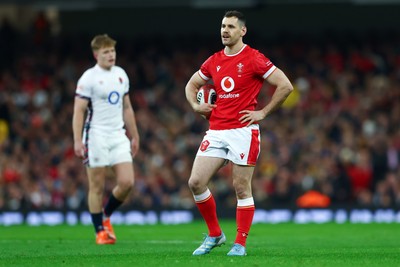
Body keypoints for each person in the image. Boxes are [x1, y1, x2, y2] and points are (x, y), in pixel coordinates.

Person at [185, 10, 293, 256]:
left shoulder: (254, 58)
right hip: (216, 130)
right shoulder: (213, 61)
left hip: (243, 131)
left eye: (231, 27)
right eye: (223, 26)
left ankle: (240, 244)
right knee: (195, 182)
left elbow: (285, 85)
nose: (225, 31)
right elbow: (191, 84)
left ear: (242, 31)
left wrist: (263, 113)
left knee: (241, 188)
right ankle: (215, 235)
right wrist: (195, 105)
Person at [72, 34, 140, 245]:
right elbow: (78, 111)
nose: (111, 55)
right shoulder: (88, 78)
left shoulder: (121, 74)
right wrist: (77, 140)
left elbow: (127, 107)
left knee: (127, 182)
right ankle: (100, 231)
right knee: (97, 186)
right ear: (96, 54)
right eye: (106, 52)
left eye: (112, 51)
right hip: (95, 136)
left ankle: (106, 215)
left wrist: (134, 134)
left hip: (118, 134)